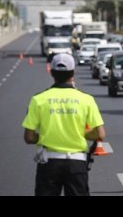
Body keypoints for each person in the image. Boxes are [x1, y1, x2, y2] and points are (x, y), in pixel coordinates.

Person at [22, 53, 106, 196]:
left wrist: (46, 135)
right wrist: (78, 133)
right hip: (77, 164)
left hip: (48, 163)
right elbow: (100, 134)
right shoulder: (86, 99)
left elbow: (29, 137)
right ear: (73, 73)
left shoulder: (38, 100)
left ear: (52, 72)